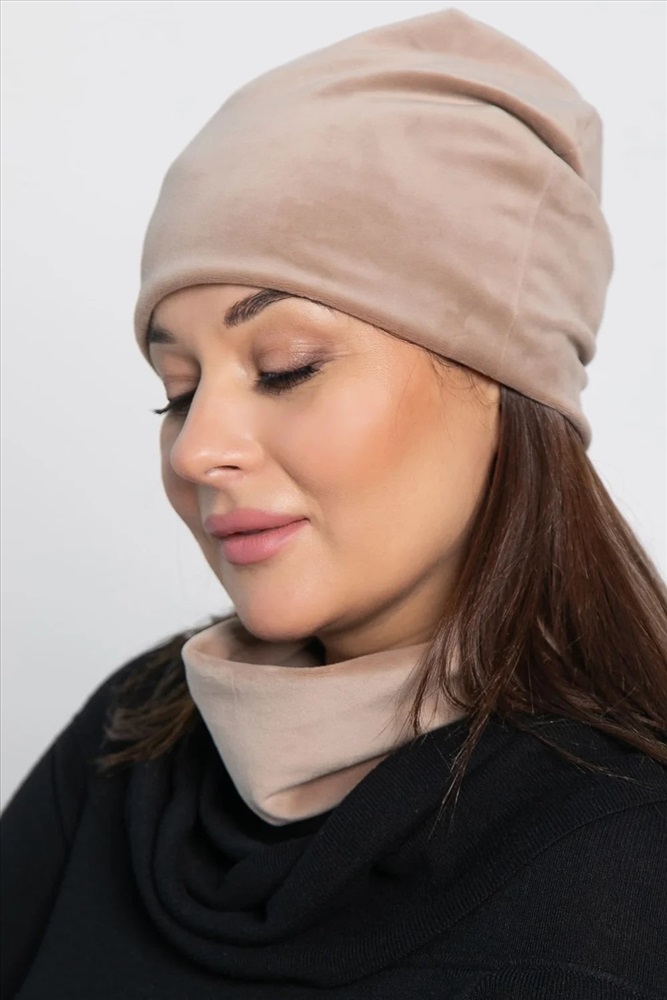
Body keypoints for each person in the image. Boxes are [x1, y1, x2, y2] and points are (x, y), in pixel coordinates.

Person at [2, 7, 666, 999]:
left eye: (286, 366)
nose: (197, 448)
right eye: (177, 390)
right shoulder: (131, 740)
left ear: (503, 383)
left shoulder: (625, 869)